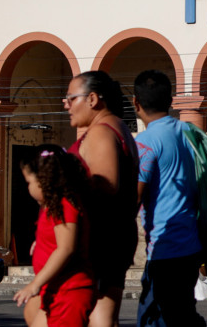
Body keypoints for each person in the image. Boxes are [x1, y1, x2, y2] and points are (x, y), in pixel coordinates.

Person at [65, 71, 139, 327]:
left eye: (71, 98)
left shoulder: (100, 132)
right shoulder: (118, 128)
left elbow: (104, 185)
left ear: (93, 99)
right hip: (113, 238)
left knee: (97, 318)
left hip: (98, 241)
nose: (66, 105)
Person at [133, 70, 205, 327]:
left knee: (153, 319)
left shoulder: (145, 142)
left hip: (164, 249)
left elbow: (135, 197)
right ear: (171, 100)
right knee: (182, 312)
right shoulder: (189, 132)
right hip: (191, 246)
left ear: (135, 102)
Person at [14, 145, 94, 326]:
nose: (28, 188)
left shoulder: (65, 204)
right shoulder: (51, 207)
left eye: (29, 182)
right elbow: (55, 236)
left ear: (43, 180)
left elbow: (66, 248)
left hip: (70, 292)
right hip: (56, 290)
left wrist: (34, 284)